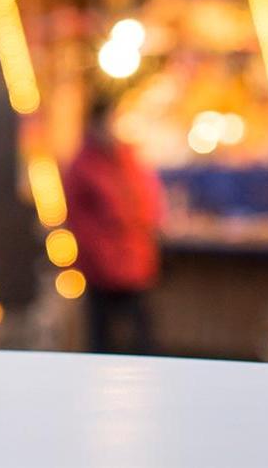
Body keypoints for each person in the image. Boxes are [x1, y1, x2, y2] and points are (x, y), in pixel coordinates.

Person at [63, 96, 163, 354]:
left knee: (142, 337)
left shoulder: (128, 160)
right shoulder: (84, 166)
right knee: (102, 337)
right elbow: (80, 218)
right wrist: (99, 253)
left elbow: (148, 202)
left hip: (134, 261)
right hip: (102, 265)